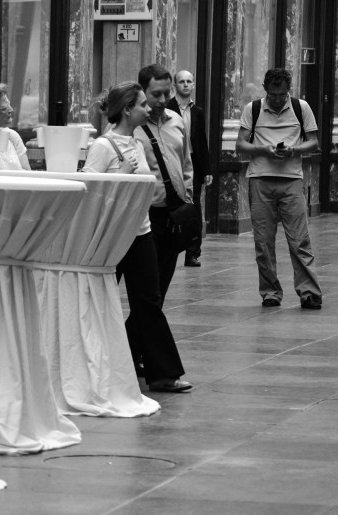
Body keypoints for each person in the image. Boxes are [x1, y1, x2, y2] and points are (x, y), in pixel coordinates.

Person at [82, 81, 192, 393]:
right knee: (97, 301)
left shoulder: (138, 144)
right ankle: (88, 368)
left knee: (149, 302)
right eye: (143, 104)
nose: (149, 108)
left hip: (141, 232)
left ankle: (163, 375)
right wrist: (121, 174)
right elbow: (89, 191)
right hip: (113, 236)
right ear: (128, 110)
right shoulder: (103, 146)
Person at [235, 68, 323, 309]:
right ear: (266, 90)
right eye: (273, 95)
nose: (277, 100)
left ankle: (309, 292)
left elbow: (314, 142)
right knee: (263, 242)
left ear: (288, 91)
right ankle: (270, 292)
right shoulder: (253, 109)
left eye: (282, 95)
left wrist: (293, 150)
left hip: (291, 180)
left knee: (299, 239)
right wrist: (264, 150)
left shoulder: (301, 108)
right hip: (260, 180)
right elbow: (241, 144)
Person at [134, 64, 194, 305]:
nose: (162, 100)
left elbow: (186, 162)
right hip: (144, 215)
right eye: (155, 94)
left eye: (166, 93)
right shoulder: (132, 126)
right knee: (146, 289)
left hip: (173, 214)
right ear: (142, 92)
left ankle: (145, 326)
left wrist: (188, 197)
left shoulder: (177, 121)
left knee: (161, 285)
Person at [168, 70, 212, 267]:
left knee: (194, 207)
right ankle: (169, 247)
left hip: (192, 162)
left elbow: (202, 141)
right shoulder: (167, 108)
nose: (185, 85)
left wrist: (206, 169)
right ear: (175, 85)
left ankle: (193, 252)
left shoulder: (198, 111)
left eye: (189, 81)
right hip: (173, 160)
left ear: (193, 85)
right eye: (181, 82)